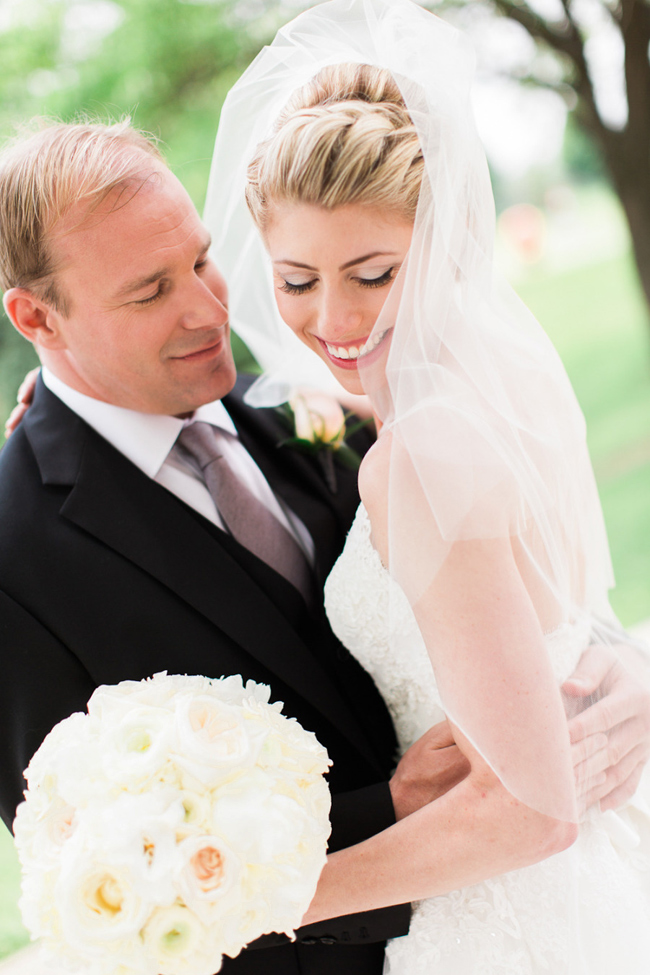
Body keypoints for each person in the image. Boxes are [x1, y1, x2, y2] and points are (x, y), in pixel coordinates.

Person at [0, 72, 648, 975]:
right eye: (150, 292)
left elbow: (517, 594)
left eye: (200, 259)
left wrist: (625, 674)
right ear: (37, 317)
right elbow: (99, 873)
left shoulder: (322, 407)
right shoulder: (15, 556)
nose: (210, 308)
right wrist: (381, 809)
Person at [205, 0, 650, 970]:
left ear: (440, 242)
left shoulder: (422, 454)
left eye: (370, 273)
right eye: (295, 279)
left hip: (511, 922)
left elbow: (530, 813)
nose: (331, 319)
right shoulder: (470, 400)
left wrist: (258, 900)